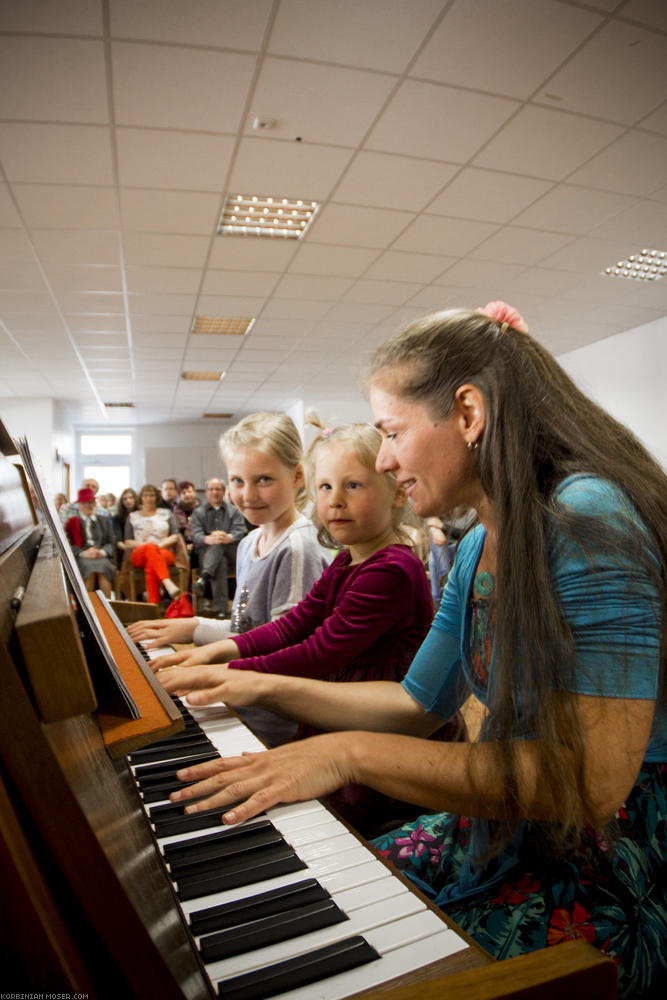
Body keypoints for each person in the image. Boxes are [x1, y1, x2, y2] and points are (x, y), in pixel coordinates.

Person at [155, 302, 667, 997]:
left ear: (467, 413)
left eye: (392, 432)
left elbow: (590, 782)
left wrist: (345, 751)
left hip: (617, 846)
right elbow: (416, 701)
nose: (386, 457)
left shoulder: (583, 519)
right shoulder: (479, 544)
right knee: (343, 894)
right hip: (515, 820)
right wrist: (256, 685)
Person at [149, 422, 463, 836]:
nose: (335, 502)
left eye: (353, 485)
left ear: (398, 492)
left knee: (357, 834)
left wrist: (227, 674)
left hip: (374, 723)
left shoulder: (392, 569)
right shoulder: (348, 558)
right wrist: (214, 652)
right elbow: (291, 627)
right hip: (338, 708)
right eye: (325, 487)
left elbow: (318, 653)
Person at [129, 411, 332, 743]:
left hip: (272, 720)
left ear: (297, 476)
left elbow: (284, 648)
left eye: (263, 479)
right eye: (237, 481)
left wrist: (205, 665)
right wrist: (192, 626)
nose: (248, 495)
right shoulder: (250, 541)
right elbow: (247, 628)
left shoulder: (297, 547)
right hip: (241, 698)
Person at [190, 477, 247, 618]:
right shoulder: (198, 512)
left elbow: (241, 530)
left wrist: (228, 537)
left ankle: (204, 578)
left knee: (220, 545)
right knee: (219, 560)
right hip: (207, 552)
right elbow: (195, 535)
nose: (214, 492)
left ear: (223, 491)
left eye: (218, 489)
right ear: (206, 492)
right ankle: (222, 609)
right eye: (211, 489)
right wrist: (208, 539)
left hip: (231, 551)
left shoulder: (234, 510)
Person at [121, 484, 185, 604]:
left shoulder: (166, 513)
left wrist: (158, 546)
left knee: (152, 561)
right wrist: (148, 546)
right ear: (141, 498)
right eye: (145, 495)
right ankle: (167, 582)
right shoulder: (133, 516)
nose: (149, 498)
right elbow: (128, 541)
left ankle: (152, 605)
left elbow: (175, 535)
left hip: (164, 551)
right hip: (139, 553)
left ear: (157, 497)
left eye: (152, 495)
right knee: (150, 548)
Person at [64, 487, 115, 596]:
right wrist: (84, 553)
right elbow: (68, 545)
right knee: (90, 571)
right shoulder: (72, 523)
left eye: (91, 502)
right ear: (79, 505)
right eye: (85, 503)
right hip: (82, 558)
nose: (88, 505)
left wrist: (102, 552)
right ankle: (89, 609)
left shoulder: (104, 520)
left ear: (95, 504)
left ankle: (108, 607)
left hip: (101, 556)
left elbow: (111, 542)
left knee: (103, 572)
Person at [172, 480, 200, 553]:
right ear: (179, 496)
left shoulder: (201, 509)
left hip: (199, 542)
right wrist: (185, 545)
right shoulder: (176, 511)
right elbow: (177, 531)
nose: (187, 495)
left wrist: (193, 544)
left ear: (195, 493)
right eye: (183, 493)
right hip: (182, 543)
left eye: (189, 492)